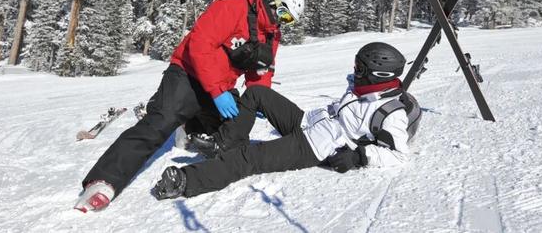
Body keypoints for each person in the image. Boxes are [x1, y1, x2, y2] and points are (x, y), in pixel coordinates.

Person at [74, 0, 305, 212]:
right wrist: (216, 91)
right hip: (188, 74)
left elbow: (261, 70)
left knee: (233, 142)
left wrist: (259, 97)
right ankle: (103, 180)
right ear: (274, 0)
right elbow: (199, 45)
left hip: (221, 88)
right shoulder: (233, 7)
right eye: (284, 15)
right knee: (160, 122)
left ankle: (190, 126)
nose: (282, 23)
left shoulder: (271, 35)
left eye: (289, 21)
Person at [151, 42, 418, 200]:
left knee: (249, 158)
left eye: (359, 68)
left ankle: (186, 181)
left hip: (315, 146)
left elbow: (399, 155)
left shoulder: (389, 112)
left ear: (378, 74)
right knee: (257, 93)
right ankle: (225, 142)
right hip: (308, 122)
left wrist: (359, 157)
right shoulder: (364, 89)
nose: (354, 72)